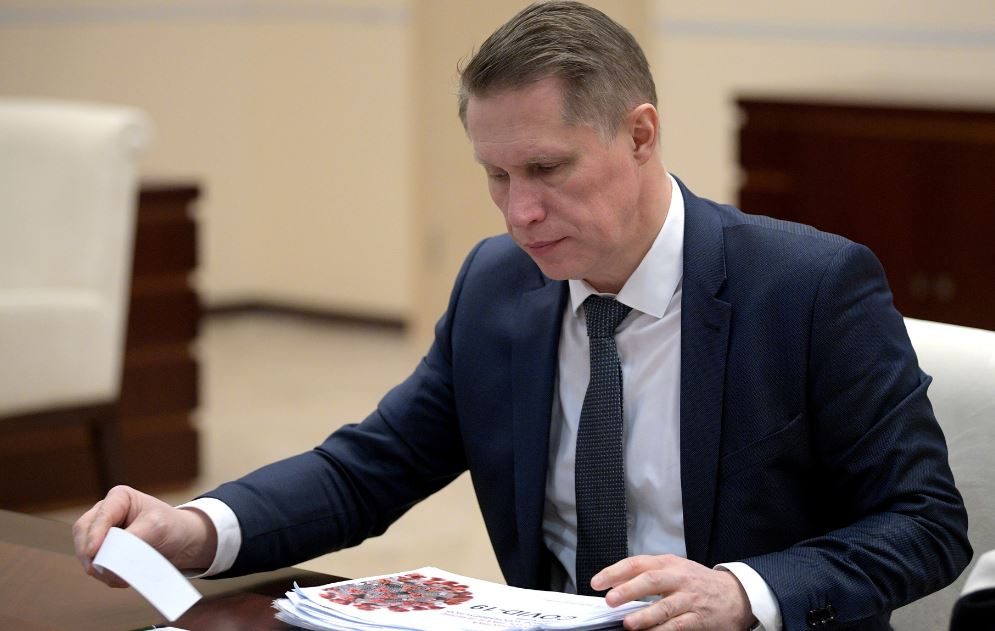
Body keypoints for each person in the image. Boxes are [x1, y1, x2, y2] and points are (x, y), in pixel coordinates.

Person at [73, 2, 971, 629]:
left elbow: (925, 521)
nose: (519, 212)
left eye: (545, 169)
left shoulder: (807, 286)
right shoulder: (498, 285)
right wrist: (200, 526)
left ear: (640, 134)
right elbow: (369, 469)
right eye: (495, 175)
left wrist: (741, 592)